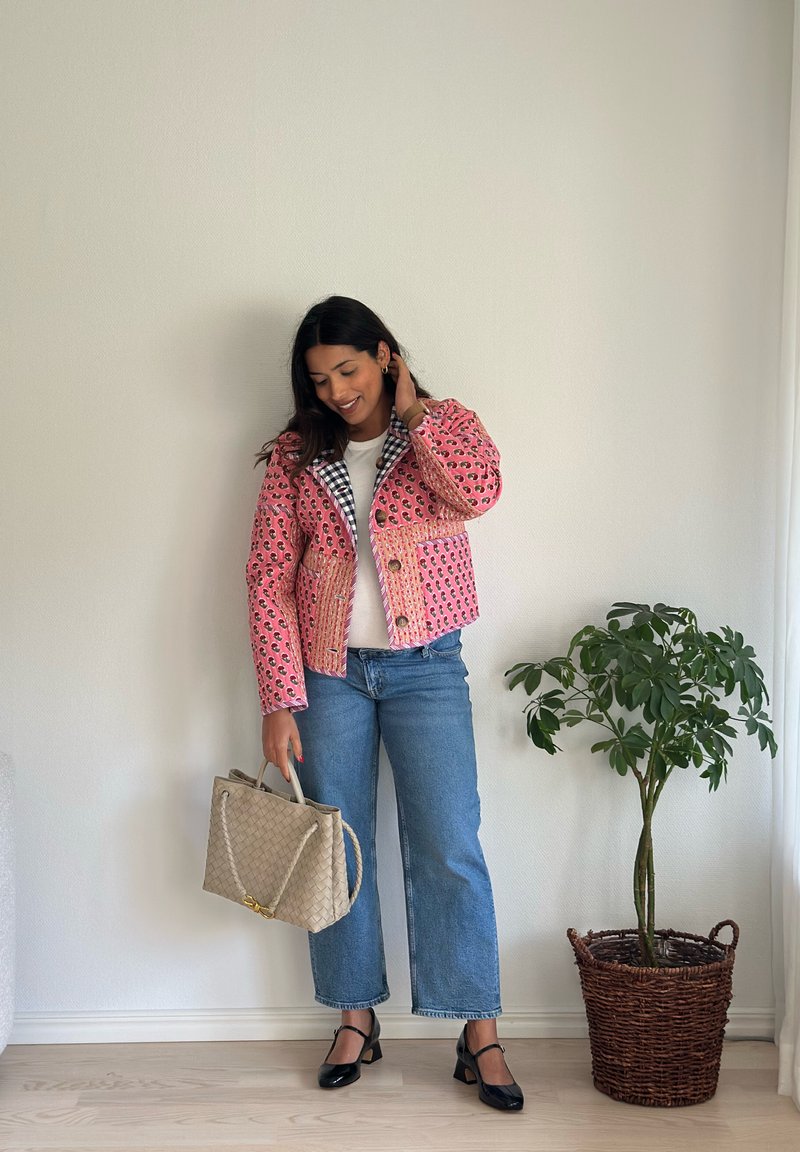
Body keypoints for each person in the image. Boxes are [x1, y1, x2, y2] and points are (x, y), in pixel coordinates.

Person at [245, 295, 523, 1112]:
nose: (337, 391)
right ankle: (354, 1017)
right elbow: (268, 577)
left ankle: (478, 1030)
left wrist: (416, 415)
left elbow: (478, 493)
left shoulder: (442, 427)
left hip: (427, 665)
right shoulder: (296, 455)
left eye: (349, 370)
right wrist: (279, 697)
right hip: (327, 674)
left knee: (450, 844)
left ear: (385, 357)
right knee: (338, 848)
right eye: (319, 378)